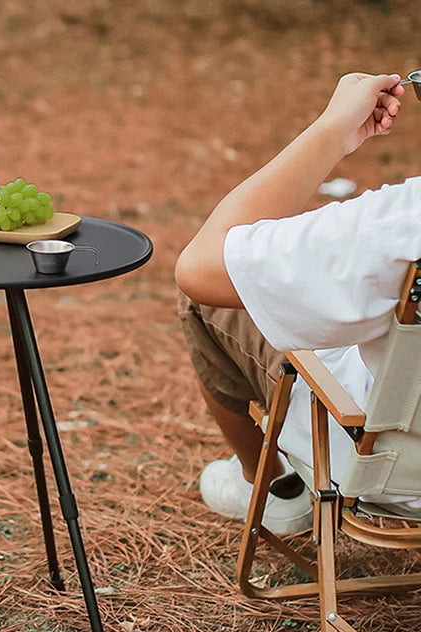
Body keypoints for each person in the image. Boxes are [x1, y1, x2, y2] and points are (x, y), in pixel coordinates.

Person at [175, 72, 421, 533]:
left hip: (393, 470)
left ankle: (272, 490)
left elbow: (201, 266)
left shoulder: (403, 220)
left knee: (211, 301)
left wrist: (332, 130)